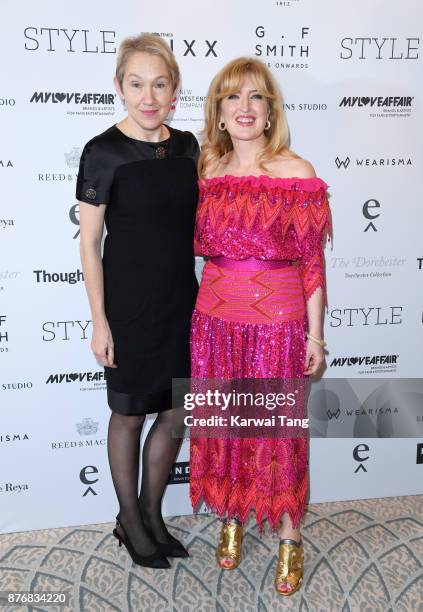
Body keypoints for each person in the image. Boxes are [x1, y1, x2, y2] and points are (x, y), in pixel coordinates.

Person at [190, 57, 331, 594]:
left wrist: (315, 336)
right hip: (216, 322)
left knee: (277, 432)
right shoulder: (208, 171)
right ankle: (232, 517)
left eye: (255, 97)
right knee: (226, 426)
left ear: (270, 111)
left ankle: (291, 536)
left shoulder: (297, 172)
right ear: (219, 113)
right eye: (232, 98)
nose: (244, 108)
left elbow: (312, 263)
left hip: (278, 322)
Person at [77, 33, 199, 569]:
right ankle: (128, 519)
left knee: (175, 414)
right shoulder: (102, 152)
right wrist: (99, 322)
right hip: (127, 307)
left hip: (182, 303)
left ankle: (152, 513)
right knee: (127, 415)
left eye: (159, 84)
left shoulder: (189, 146)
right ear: (118, 87)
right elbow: (88, 244)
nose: (148, 97)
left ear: (174, 90)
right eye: (136, 84)